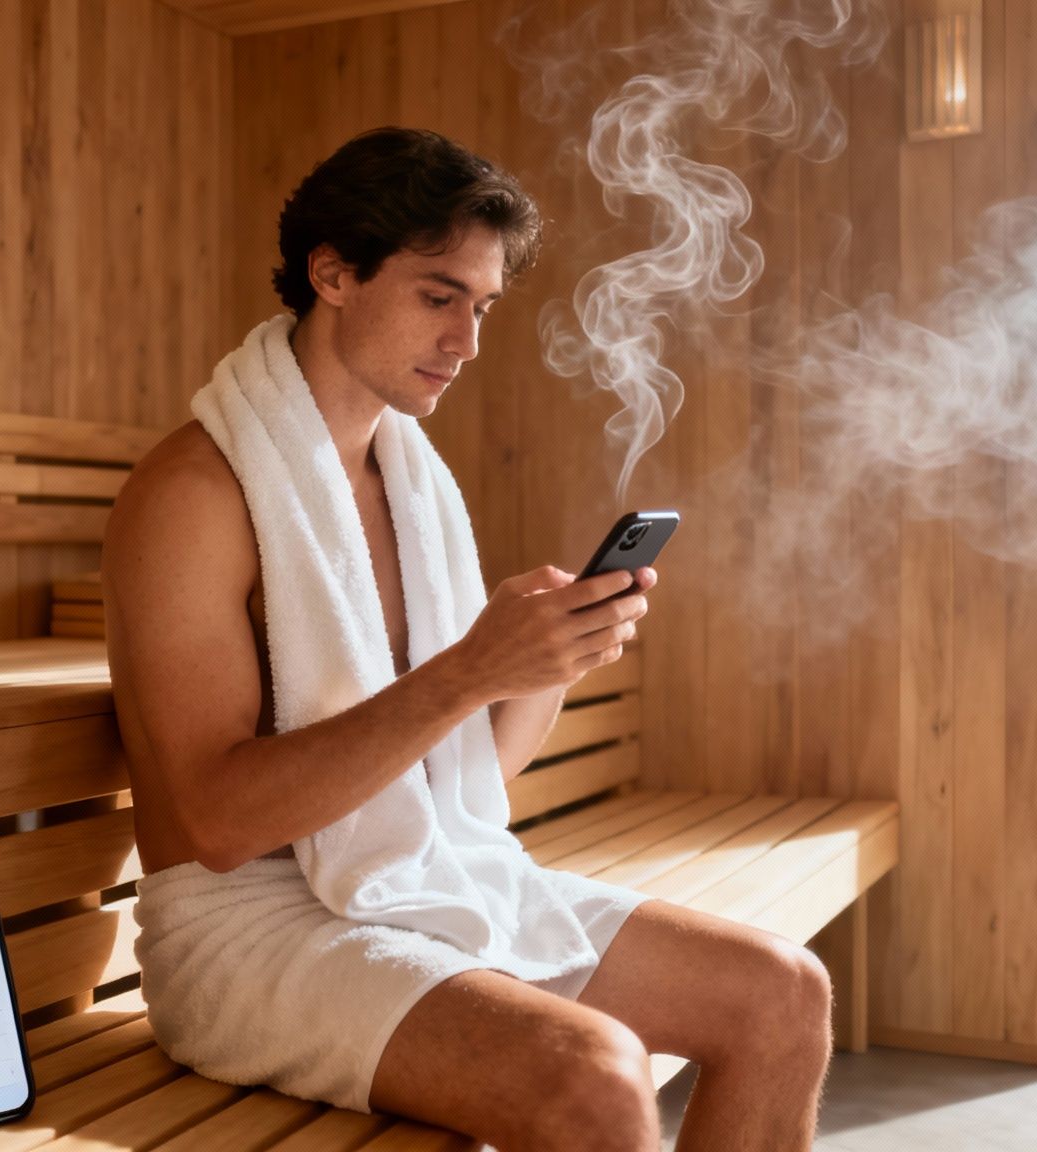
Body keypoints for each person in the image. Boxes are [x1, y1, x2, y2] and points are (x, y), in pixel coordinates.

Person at [100, 126, 831, 1151]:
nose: (466, 341)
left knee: (780, 994)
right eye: (438, 296)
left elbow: (462, 785)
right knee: (596, 1077)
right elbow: (217, 825)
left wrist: (544, 663)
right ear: (333, 273)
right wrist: (469, 670)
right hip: (247, 929)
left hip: (412, 879)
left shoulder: (408, 480)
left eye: (482, 307)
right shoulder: (193, 496)